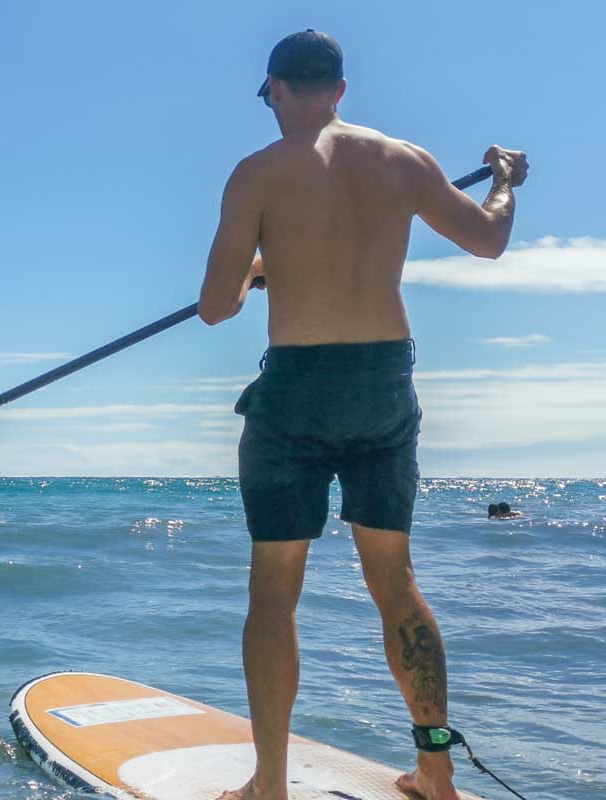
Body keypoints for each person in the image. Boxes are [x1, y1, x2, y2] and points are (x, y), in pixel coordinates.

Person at [196, 29, 528, 800]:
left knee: (274, 589)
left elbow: (214, 308)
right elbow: (489, 240)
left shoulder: (256, 174)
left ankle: (270, 785)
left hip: (297, 389)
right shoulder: (403, 160)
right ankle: (436, 773)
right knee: (395, 582)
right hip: (383, 383)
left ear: (278, 89)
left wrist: (254, 271)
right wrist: (505, 180)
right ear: (341, 90)